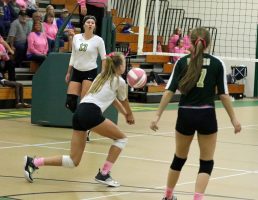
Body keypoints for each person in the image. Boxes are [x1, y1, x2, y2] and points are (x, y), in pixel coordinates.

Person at [150, 27, 242, 200]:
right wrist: (234, 120)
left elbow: (169, 91)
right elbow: (223, 95)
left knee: (179, 158)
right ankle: (197, 198)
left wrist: (157, 116)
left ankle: (168, 196)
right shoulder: (217, 63)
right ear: (208, 43)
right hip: (206, 115)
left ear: (190, 41)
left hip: (185, 114)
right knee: (206, 162)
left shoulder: (182, 61)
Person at [24, 52, 134, 187]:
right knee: (121, 139)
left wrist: (125, 114)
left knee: (73, 161)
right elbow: (124, 100)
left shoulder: (101, 77)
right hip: (91, 113)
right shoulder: (119, 81)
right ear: (120, 66)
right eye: (124, 63)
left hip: (79, 112)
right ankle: (104, 174)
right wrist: (130, 114)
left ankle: (34, 162)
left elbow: (114, 99)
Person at [65, 15, 106, 141]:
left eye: (92, 23)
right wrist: (68, 72)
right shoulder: (77, 37)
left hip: (90, 71)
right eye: (88, 22)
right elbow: (73, 55)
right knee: (70, 103)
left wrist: (103, 75)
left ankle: (85, 128)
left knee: (84, 103)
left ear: (94, 26)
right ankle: (86, 123)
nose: (90, 24)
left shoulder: (98, 40)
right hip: (77, 71)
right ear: (83, 24)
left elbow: (104, 58)